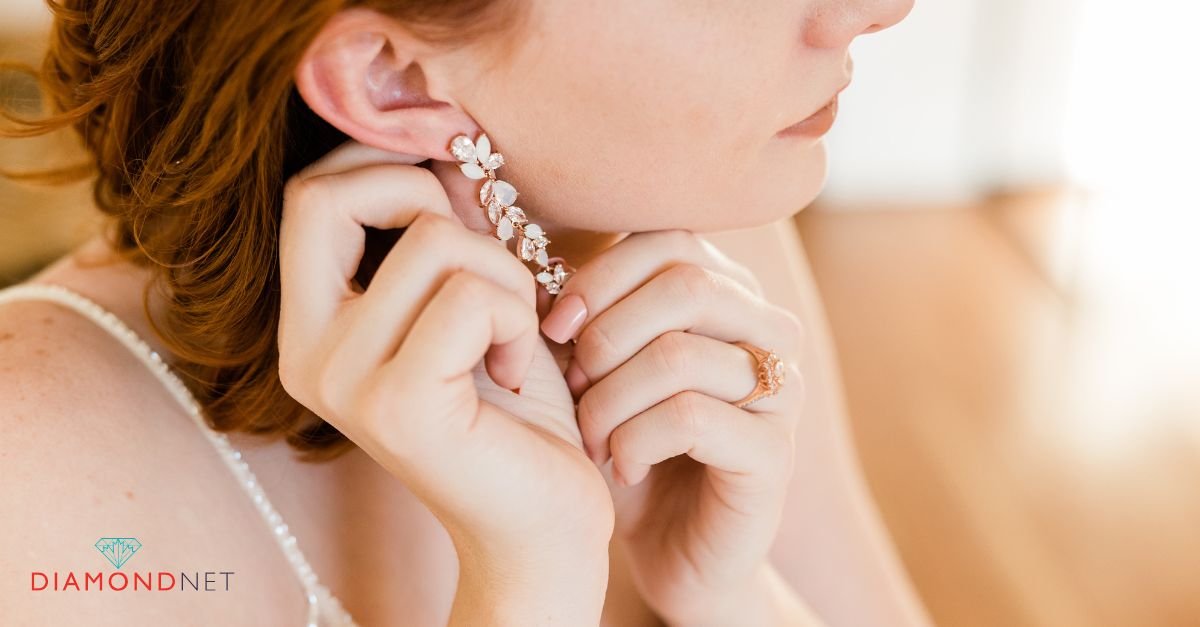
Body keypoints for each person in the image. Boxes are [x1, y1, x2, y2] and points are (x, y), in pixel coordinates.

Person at [0, 0, 931, 625]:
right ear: (391, 77)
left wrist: (728, 596)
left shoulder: (692, 265)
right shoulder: (36, 471)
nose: (882, 7)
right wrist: (531, 577)